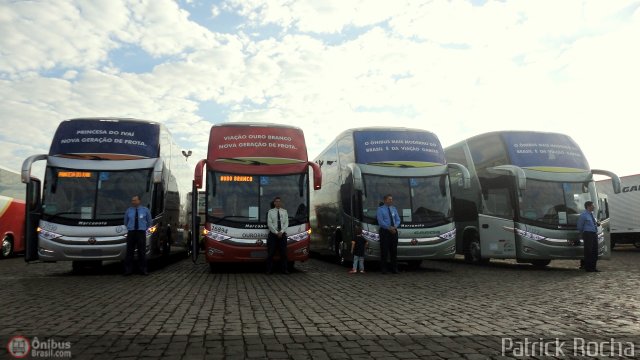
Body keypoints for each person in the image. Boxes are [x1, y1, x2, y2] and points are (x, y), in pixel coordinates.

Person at [123, 195, 152, 275]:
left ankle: (143, 269)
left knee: (142, 252)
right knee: (129, 252)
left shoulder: (145, 210)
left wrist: (144, 228)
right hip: (131, 232)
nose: (133, 202)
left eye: (135, 200)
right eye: (132, 200)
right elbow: (125, 222)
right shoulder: (129, 210)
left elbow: (149, 222)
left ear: (139, 201)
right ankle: (128, 270)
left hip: (141, 232)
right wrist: (130, 227)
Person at [376, 194, 401, 274]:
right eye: (389, 199)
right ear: (385, 200)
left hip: (394, 231)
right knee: (384, 251)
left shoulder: (394, 209)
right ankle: (384, 268)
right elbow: (381, 221)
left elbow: (398, 219)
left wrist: (394, 227)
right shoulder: (380, 209)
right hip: (385, 232)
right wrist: (389, 228)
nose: (391, 201)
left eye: (391, 199)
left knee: (394, 251)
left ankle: (394, 268)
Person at [266, 197, 289, 274]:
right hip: (273, 235)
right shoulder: (270, 212)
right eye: (276, 201)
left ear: (281, 203)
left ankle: (284, 269)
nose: (278, 203)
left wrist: (281, 232)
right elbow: (269, 224)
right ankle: (269, 270)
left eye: (279, 201)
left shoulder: (284, 212)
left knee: (284, 253)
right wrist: (276, 232)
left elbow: (286, 223)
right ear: (274, 203)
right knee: (271, 253)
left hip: (282, 235)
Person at [577, 201, 600, 272]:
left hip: (594, 233)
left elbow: (593, 223)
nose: (594, 207)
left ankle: (593, 267)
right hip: (588, 234)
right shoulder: (583, 215)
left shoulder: (592, 214)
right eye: (592, 205)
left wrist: (597, 224)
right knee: (588, 251)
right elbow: (579, 226)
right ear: (588, 206)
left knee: (594, 251)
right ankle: (588, 267)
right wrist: (582, 233)